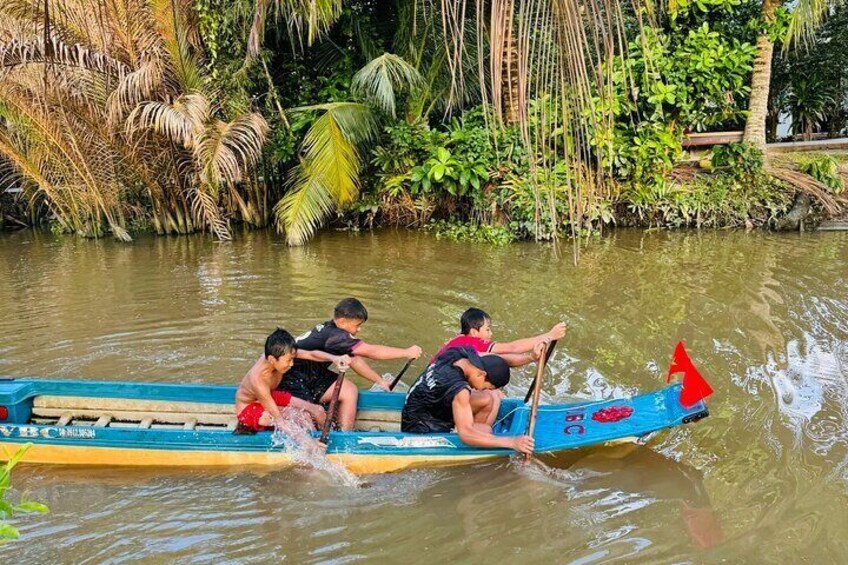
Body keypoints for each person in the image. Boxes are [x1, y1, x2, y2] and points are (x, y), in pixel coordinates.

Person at [279, 298, 422, 431]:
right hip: (291, 378)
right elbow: (371, 351)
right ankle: (323, 435)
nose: (359, 329)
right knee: (310, 416)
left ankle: (345, 434)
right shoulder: (335, 336)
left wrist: (380, 381)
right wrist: (406, 352)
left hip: (311, 374)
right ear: (342, 321)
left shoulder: (333, 330)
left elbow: (355, 360)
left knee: (349, 390)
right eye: (357, 325)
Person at [401, 346, 536, 455]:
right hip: (420, 427)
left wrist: (531, 357)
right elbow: (465, 434)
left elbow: (498, 359)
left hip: (421, 405)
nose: (483, 389)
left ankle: (474, 437)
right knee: (485, 430)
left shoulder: (459, 353)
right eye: (485, 386)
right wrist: (512, 442)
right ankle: (471, 443)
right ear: (482, 374)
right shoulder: (460, 390)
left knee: (487, 399)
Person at [234, 328, 351, 433]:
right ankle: (313, 444)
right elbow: (280, 421)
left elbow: (311, 354)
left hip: (269, 396)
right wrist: (311, 445)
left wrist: (335, 358)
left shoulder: (281, 353)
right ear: (272, 360)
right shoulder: (258, 380)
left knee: (312, 411)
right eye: (289, 361)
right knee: (301, 417)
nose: (292, 364)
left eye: (293, 359)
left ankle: (326, 435)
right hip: (249, 410)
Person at [433, 308, 566, 368]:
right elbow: (512, 348)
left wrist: (531, 357)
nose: (490, 333)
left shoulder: (459, 340)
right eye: (487, 329)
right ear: (474, 332)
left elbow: (503, 359)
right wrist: (549, 335)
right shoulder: (470, 342)